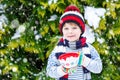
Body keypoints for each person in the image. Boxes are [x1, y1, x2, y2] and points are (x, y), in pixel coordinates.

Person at [46, 5, 102, 80]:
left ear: (81, 30)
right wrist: (61, 70)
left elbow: (98, 68)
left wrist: (85, 61)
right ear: (62, 31)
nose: (70, 31)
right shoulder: (57, 50)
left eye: (74, 28)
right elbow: (49, 70)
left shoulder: (88, 48)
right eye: (66, 28)